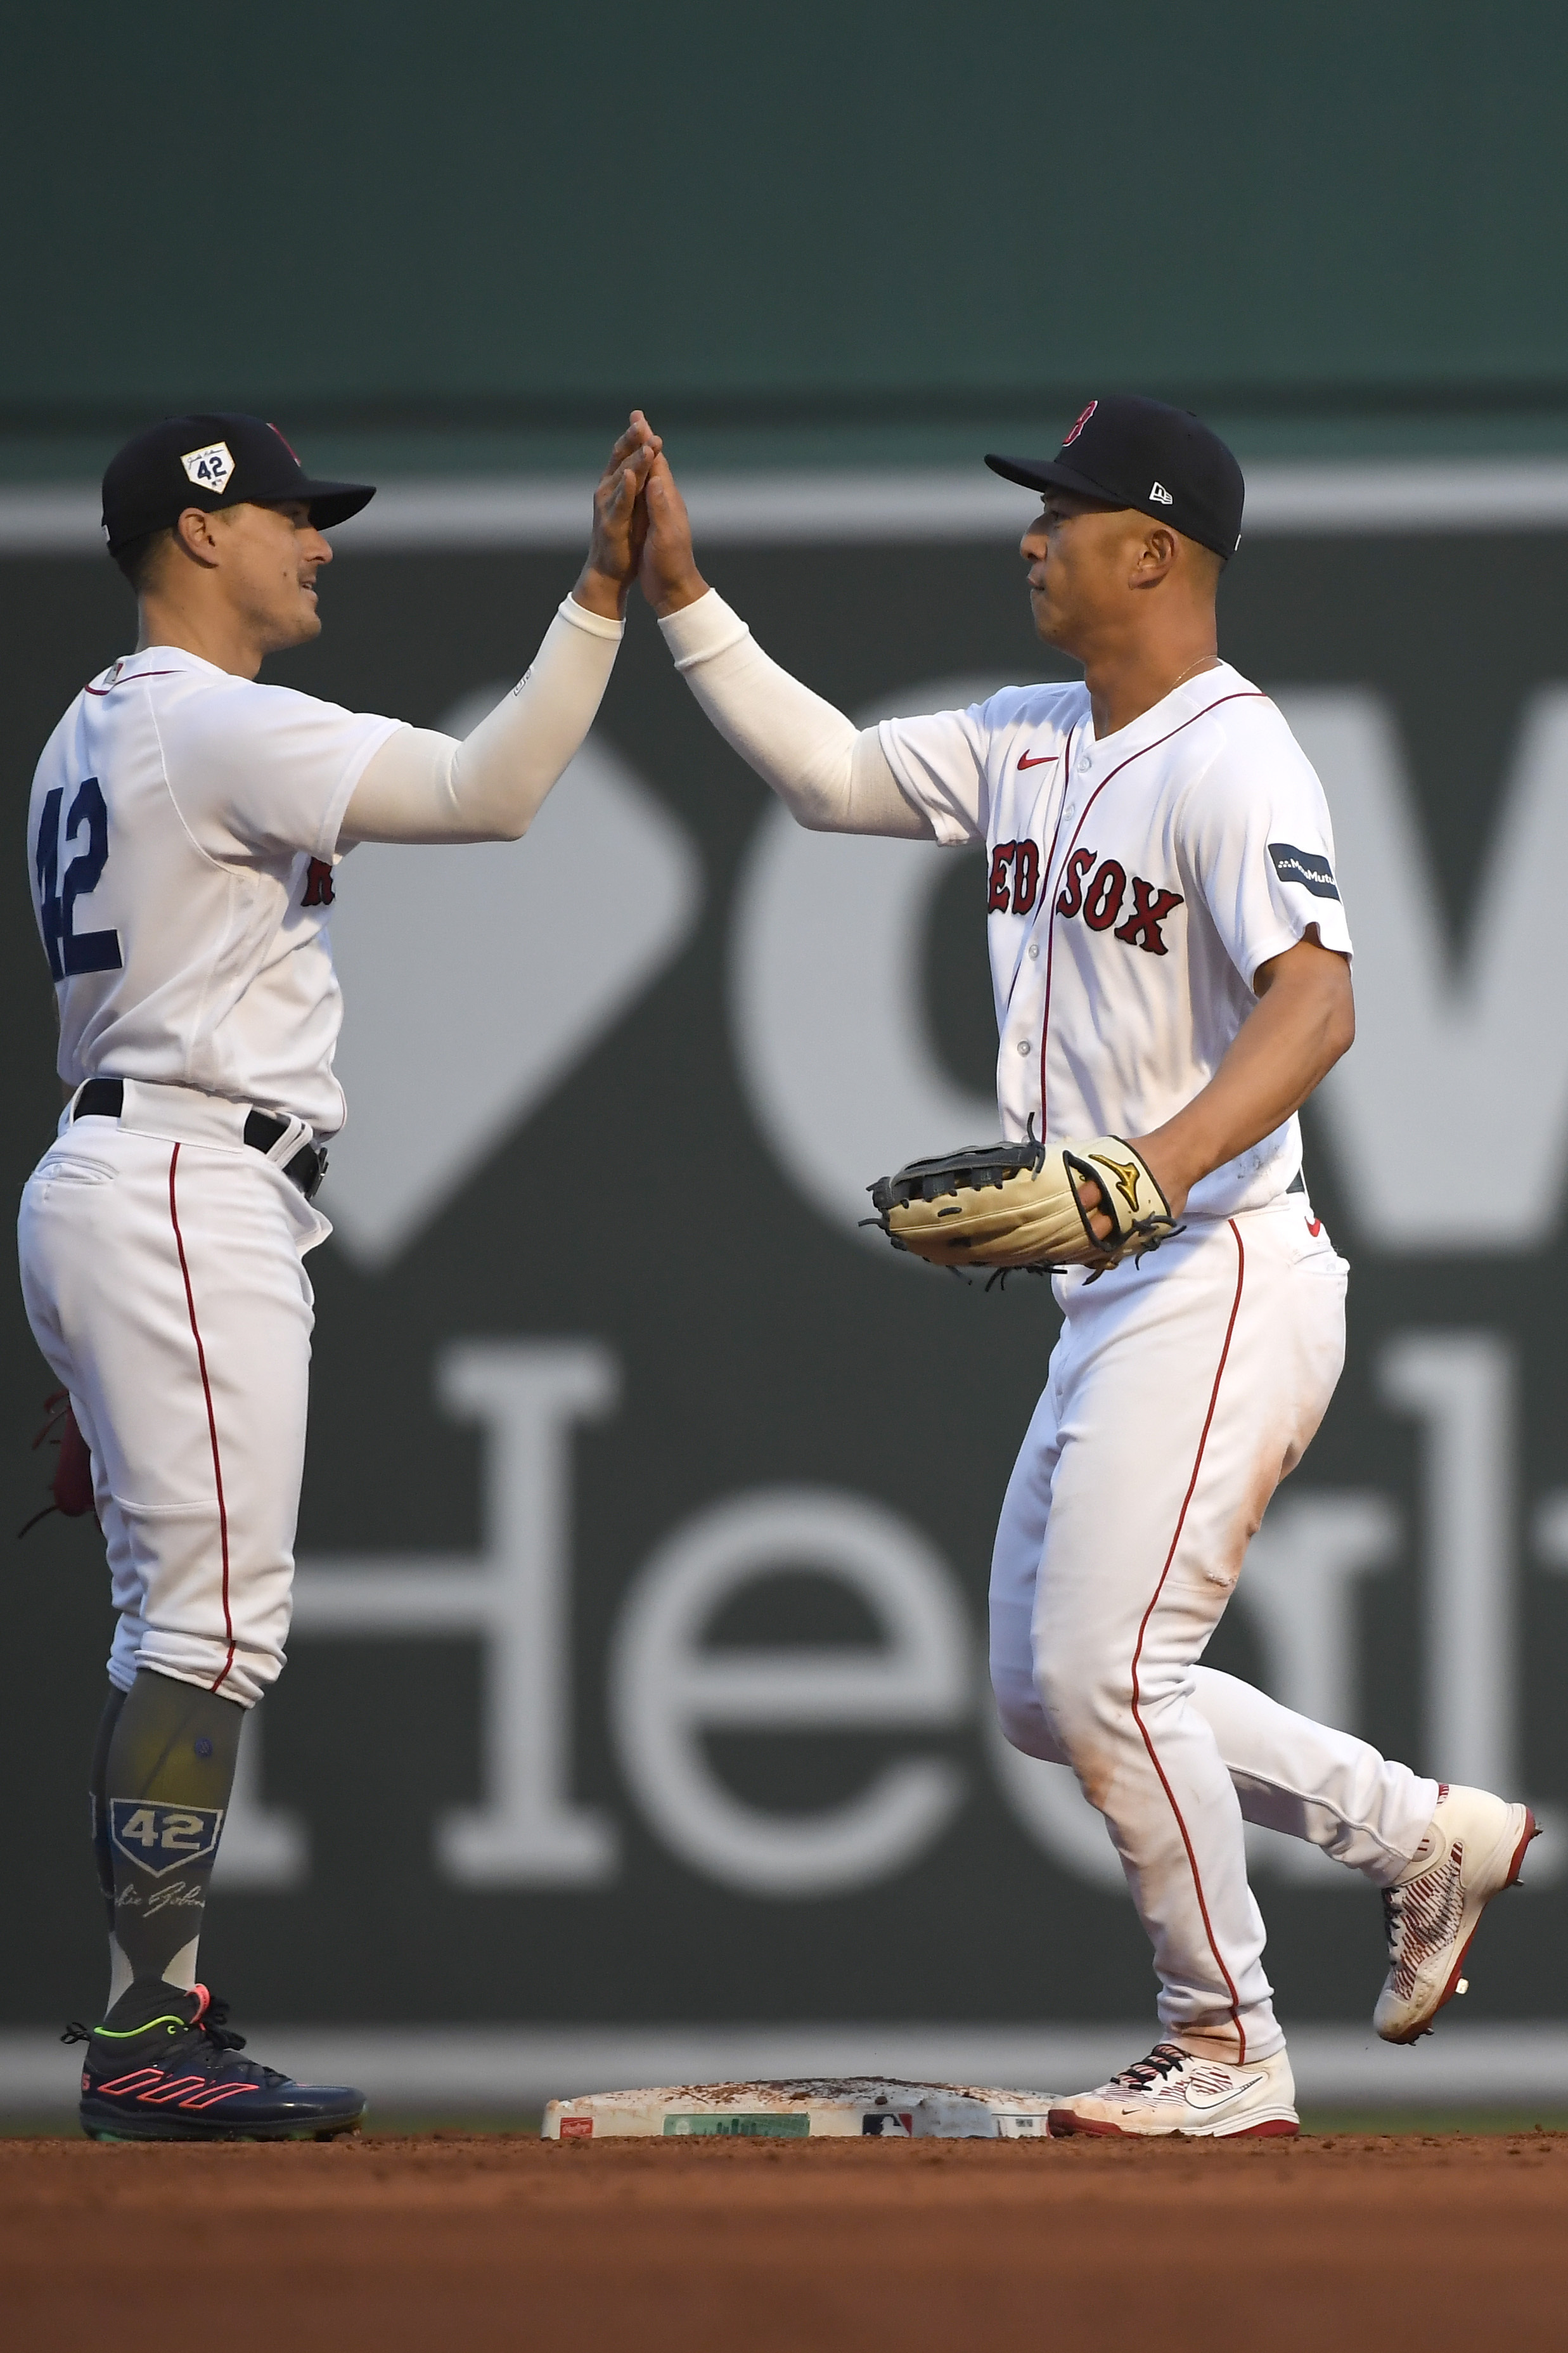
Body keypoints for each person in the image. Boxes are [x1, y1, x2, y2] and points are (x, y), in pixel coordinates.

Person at [633, 394, 1536, 2138]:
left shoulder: (1231, 756)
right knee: (1047, 1695)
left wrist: (1145, 1167)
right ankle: (1420, 1834)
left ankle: (1222, 2047)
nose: (1027, 535)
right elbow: (826, 777)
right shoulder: (1028, 733)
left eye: (1058, 512)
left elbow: (1320, 1002)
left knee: (1106, 1673)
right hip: (1121, 1291)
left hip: (1217, 1263)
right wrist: (680, 595)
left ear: (1152, 548)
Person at [22, 406, 661, 2141]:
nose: (323, 544)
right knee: (210, 1629)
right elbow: (496, 789)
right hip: (182, 1180)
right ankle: (146, 2033)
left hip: (130, 1167)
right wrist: (603, 588)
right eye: (297, 518)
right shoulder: (213, 725)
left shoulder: (93, 733)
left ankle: (150, 2015)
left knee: (180, 1625)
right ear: (203, 531)